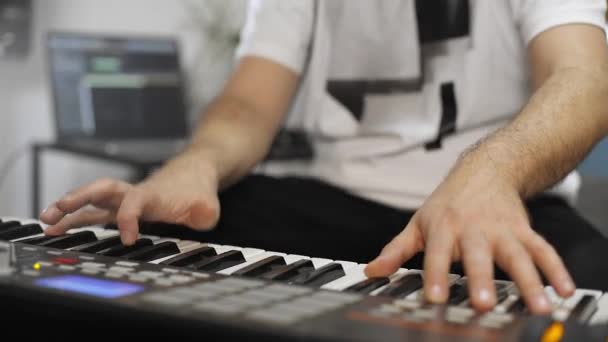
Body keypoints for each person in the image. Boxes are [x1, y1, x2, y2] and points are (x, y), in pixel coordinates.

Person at [40, 0, 608, 315]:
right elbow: (247, 103)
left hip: (502, 204)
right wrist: (197, 164)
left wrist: (490, 172)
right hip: (329, 201)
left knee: (586, 292)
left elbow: (584, 77)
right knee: (144, 248)